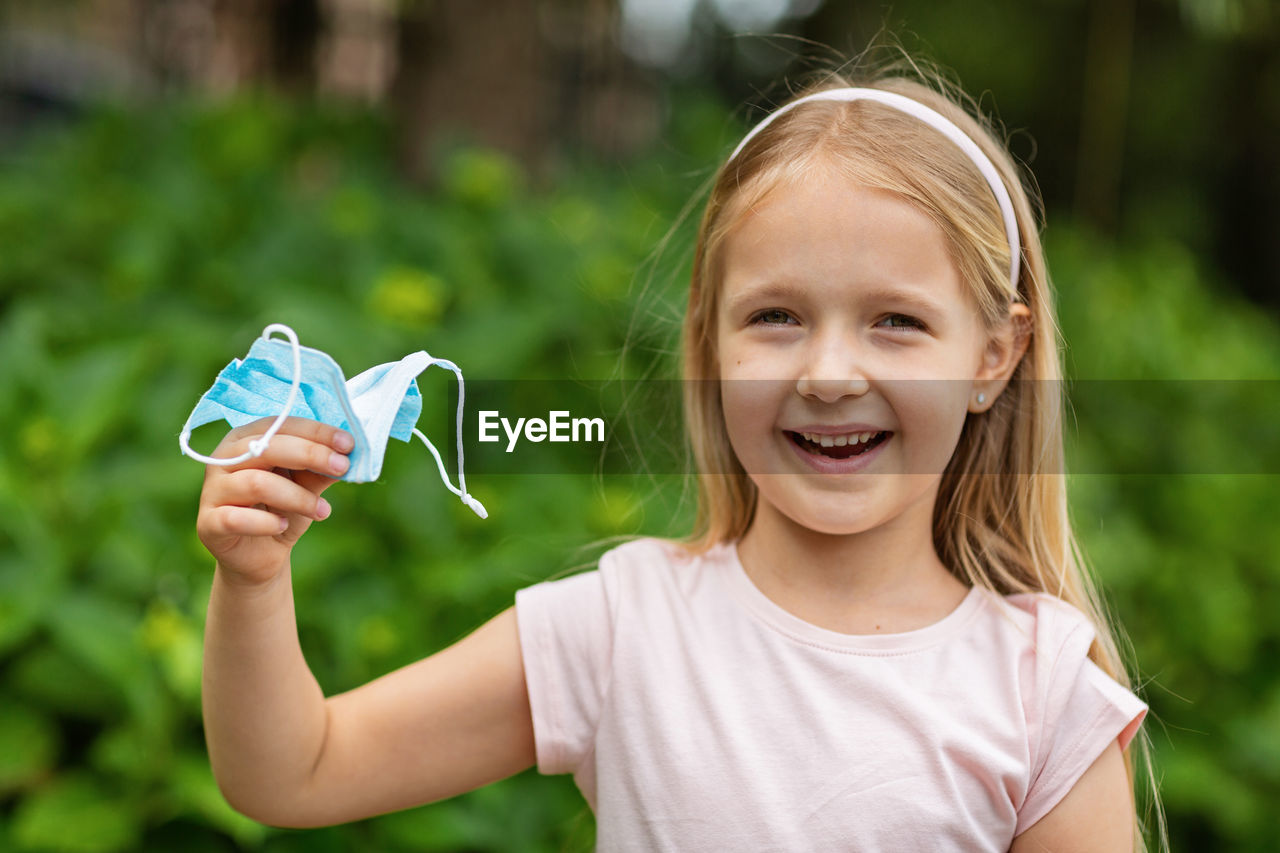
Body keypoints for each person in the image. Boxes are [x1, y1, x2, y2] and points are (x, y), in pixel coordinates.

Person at [197, 64, 1158, 851]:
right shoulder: (623, 628)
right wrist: (252, 579)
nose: (828, 373)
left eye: (896, 322)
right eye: (775, 317)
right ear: (708, 343)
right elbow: (295, 768)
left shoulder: (1043, 696)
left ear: (995, 356)